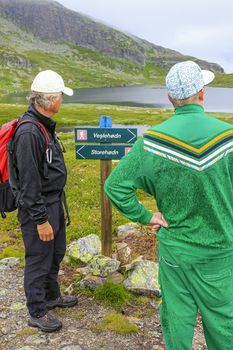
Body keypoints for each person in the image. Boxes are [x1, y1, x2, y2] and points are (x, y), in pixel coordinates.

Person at [104, 60, 233, 349]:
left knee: (176, 320)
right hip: (220, 250)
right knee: (224, 324)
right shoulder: (228, 138)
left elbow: (114, 186)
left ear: (170, 98)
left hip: (175, 249)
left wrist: (146, 216)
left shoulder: (151, 141)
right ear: (202, 93)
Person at [14, 70, 77, 332]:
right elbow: (29, 184)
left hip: (52, 203)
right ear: (49, 100)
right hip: (39, 209)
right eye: (60, 95)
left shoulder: (43, 126)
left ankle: (51, 296)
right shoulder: (30, 132)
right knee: (39, 258)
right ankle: (37, 311)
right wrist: (41, 220)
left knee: (55, 253)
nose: (62, 100)